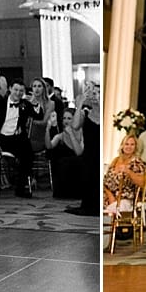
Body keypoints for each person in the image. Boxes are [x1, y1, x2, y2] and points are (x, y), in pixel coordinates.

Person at [0, 81, 35, 198]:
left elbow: (38, 115)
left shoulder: (25, 104)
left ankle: (21, 188)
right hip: (0, 138)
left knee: (27, 153)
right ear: (10, 89)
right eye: (16, 89)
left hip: (16, 138)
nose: (18, 93)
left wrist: (35, 102)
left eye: (21, 91)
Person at [64, 81, 100, 216]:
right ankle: (88, 205)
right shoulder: (86, 113)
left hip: (99, 153)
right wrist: (80, 104)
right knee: (87, 175)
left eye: (97, 93)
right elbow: (74, 126)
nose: (94, 96)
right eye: (93, 93)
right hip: (89, 154)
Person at [103, 134, 146, 214]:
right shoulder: (115, 160)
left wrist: (128, 172)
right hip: (108, 196)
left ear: (135, 147)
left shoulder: (137, 162)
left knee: (114, 208)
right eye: (126, 144)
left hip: (125, 198)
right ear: (122, 145)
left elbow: (142, 183)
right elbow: (105, 182)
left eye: (132, 144)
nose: (129, 147)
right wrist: (110, 196)